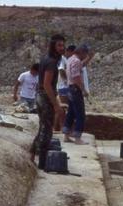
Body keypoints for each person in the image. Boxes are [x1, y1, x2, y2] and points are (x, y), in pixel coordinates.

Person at [29, 34, 65, 169]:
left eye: (63, 45)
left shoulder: (47, 59)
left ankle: (32, 155)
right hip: (44, 97)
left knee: (43, 128)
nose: (62, 48)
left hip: (40, 96)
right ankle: (42, 164)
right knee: (47, 131)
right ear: (53, 46)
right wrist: (56, 105)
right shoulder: (50, 62)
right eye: (59, 45)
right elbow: (47, 84)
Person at [62, 44, 90, 145]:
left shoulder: (70, 59)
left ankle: (66, 135)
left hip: (70, 88)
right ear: (81, 52)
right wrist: (83, 90)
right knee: (80, 114)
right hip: (75, 89)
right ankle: (78, 138)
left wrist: (88, 59)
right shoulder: (76, 61)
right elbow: (76, 77)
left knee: (71, 112)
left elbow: (80, 66)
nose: (86, 55)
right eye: (85, 53)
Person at [55, 45, 76, 132]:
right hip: (64, 87)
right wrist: (68, 81)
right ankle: (59, 128)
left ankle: (61, 128)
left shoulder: (68, 60)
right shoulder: (62, 59)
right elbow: (61, 70)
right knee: (62, 109)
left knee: (66, 109)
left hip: (65, 87)